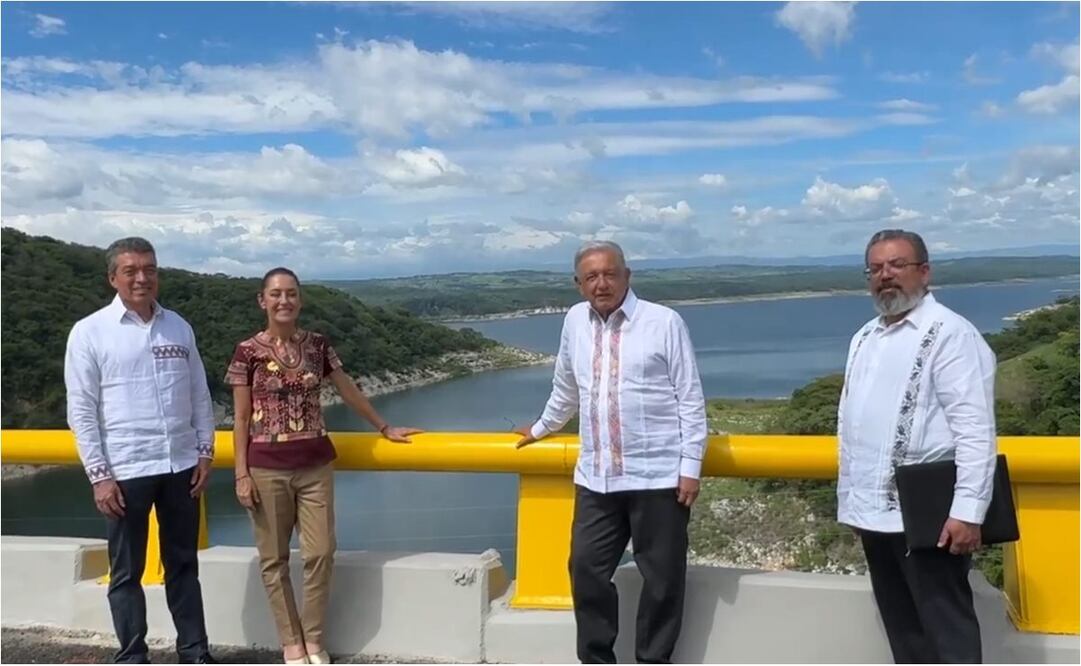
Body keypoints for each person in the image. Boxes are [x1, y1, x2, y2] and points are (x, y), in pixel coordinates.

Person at [515, 240, 707, 664]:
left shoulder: (664, 322)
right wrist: (542, 427)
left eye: (610, 274)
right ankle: (597, 658)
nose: (601, 284)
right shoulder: (573, 322)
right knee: (585, 570)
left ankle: (653, 660)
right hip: (596, 478)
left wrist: (690, 466)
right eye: (591, 277)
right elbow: (566, 387)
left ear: (627, 275)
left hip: (658, 477)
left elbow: (690, 399)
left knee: (662, 580)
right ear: (578, 283)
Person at [226, 267, 421, 665]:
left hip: (315, 464)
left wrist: (382, 425)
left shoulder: (317, 346)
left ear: (300, 299)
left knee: (320, 552)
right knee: (274, 559)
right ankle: (291, 644)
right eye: (276, 294)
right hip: (266, 468)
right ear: (262, 301)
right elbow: (241, 418)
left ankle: (313, 638)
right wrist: (241, 473)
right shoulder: (247, 351)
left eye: (292, 294)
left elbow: (346, 387)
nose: (285, 301)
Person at [837, 229, 997, 663]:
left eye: (897, 266)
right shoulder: (865, 337)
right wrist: (854, 503)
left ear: (924, 272)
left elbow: (975, 429)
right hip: (875, 513)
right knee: (903, 630)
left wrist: (968, 511)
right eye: (875, 268)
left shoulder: (950, 334)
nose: (885, 276)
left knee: (946, 629)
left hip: (932, 513)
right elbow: (852, 425)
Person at [65, 237, 217, 664]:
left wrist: (205, 451)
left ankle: (195, 652)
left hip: (181, 465)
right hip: (125, 469)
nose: (142, 277)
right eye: (130, 270)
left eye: (149, 269)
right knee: (127, 573)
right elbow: (81, 410)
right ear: (113, 277)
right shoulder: (89, 332)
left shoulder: (178, 326)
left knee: (184, 564)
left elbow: (198, 394)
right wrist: (99, 475)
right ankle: (132, 656)